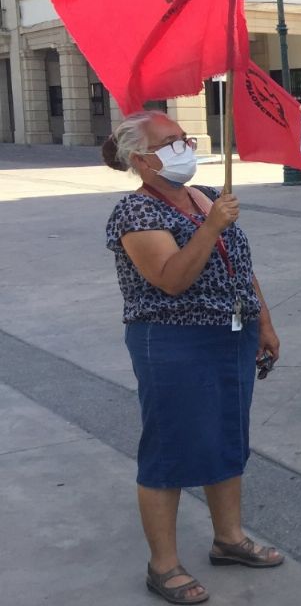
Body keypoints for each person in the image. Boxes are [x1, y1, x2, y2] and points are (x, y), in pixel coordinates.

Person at [104, 111, 284, 604]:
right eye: (170, 142)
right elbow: (171, 278)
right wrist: (209, 228)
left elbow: (240, 265)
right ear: (141, 160)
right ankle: (163, 564)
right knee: (170, 448)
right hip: (172, 343)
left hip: (232, 334)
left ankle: (229, 539)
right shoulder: (135, 213)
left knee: (227, 435)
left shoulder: (201, 196)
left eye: (183, 139)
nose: (184, 147)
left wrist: (262, 320)